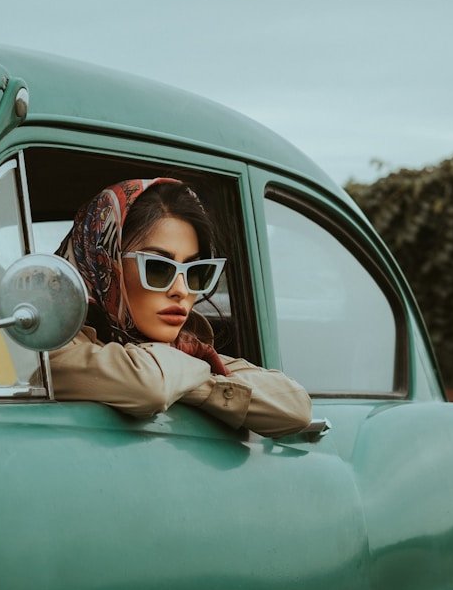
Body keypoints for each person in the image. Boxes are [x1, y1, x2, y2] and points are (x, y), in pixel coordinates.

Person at [50, 178, 312, 438]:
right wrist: (204, 380)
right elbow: (149, 385)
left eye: (196, 272)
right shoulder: (49, 349)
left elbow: (296, 407)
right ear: (106, 261)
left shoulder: (187, 350)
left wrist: (188, 378)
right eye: (158, 268)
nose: (182, 290)